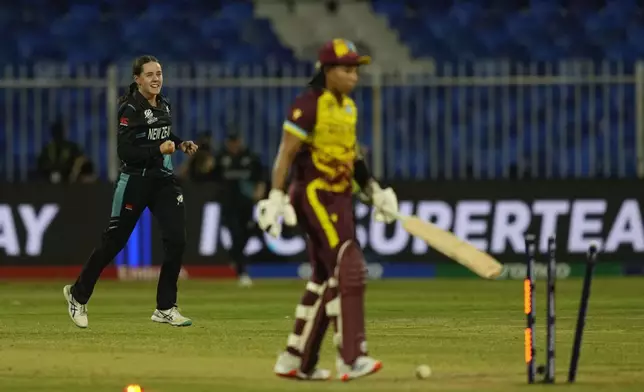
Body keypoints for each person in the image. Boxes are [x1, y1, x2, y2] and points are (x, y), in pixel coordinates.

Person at [256, 39, 399, 381]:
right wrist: (276, 195)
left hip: (341, 198)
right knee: (347, 267)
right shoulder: (308, 104)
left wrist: (373, 190)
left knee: (324, 279)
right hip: (314, 195)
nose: (354, 77)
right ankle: (351, 357)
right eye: (347, 70)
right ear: (327, 71)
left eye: (356, 71)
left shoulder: (348, 108)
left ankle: (296, 360)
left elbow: (353, 156)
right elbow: (286, 153)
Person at [62, 55, 198, 328]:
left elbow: (162, 133)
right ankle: (77, 295)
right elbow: (126, 152)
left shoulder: (164, 105)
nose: (156, 78)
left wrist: (180, 143)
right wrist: (159, 150)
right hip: (135, 181)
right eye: (150, 74)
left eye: (159, 73)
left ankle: (165, 307)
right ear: (137, 79)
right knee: (114, 242)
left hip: (163, 181)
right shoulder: (129, 109)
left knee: (177, 240)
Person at [213, 130, 266, 287]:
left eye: (236, 141)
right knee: (236, 233)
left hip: (246, 203)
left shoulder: (250, 157)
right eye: (231, 141)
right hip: (228, 204)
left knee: (247, 233)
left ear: (240, 141)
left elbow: (261, 176)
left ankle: (233, 257)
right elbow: (210, 176)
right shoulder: (221, 158)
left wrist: (259, 190)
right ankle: (242, 272)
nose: (233, 145)